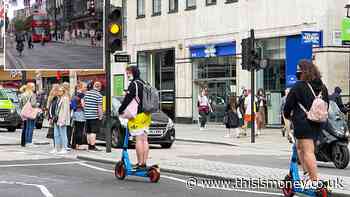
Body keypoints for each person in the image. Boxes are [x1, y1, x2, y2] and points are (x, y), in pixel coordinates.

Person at [284, 59, 329, 183]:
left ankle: (314, 181)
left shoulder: (298, 86)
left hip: (303, 124)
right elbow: (327, 106)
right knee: (300, 148)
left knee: (308, 152)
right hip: (318, 124)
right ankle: (306, 175)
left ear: (302, 72)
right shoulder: (323, 87)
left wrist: (287, 116)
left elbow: (288, 105)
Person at [119, 66, 151, 169]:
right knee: (145, 140)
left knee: (138, 140)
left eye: (128, 73)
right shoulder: (144, 83)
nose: (127, 75)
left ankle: (140, 163)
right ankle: (144, 162)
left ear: (133, 73)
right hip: (147, 114)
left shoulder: (134, 84)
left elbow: (127, 99)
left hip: (137, 115)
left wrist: (121, 109)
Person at [84, 81, 103, 151]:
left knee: (88, 131)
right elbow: (99, 107)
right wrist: (100, 116)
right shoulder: (99, 95)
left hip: (87, 115)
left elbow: (84, 103)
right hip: (94, 116)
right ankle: (92, 146)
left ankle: (89, 145)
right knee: (93, 132)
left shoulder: (87, 93)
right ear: (99, 87)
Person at [52, 85, 71, 154]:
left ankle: (64, 148)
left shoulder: (65, 98)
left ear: (63, 92)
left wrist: (63, 120)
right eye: (58, 91)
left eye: (60, 91)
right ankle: (57, 148)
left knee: (63, 134)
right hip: (57, 118)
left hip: (62, 119)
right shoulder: (58, 98)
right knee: (56, 134)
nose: (59, 92)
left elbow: (66, 110)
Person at [19, 82, 37, 147]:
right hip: (31, 113)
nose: (35, 87)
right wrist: (37, 105)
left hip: (25, 113)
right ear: (31, 87)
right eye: (34, 86)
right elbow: (33, 104)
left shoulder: (23, 94)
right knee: (31, 127)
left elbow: (20, 104)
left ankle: (25, 141)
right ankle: (29, 141)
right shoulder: (32, 95)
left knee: (26, 127)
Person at [71, 82, 87, 150]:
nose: (86, 88)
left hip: (75, 113)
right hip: (80, 113)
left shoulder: (74, 94)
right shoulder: (82, 95)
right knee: (80, 129)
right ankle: (78, 144)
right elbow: (83, 105)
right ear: (80, 87)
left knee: (76, 129)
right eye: (84, 87)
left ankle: (74, 144)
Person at [47, 84, 60, 151]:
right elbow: (50, 108)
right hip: (54, 118)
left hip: (55, 118)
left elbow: (51, 108)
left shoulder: (56, 99)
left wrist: (50, 117)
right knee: (55, 133)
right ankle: (56, 146)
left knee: (56, 133)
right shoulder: (54, 98)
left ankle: (56, 147)